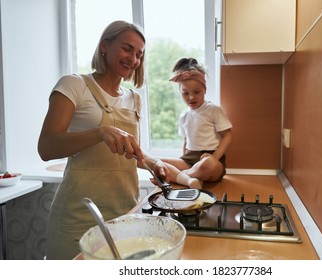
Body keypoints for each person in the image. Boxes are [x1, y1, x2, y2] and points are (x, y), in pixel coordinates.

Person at [37, 20, 168, 259]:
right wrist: (100, 133)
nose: (134, 59)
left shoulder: (134, 99)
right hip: (78, 218)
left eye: (139, 54)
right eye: (127, 48)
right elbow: (46, 147)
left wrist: (155, 163)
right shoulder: (74, 85)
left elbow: (129, 151)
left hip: (124, 214)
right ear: (104, 46)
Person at [161, 58, 233, 189]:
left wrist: (215, 157)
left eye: (196, 92)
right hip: (190, 160)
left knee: (207, 164)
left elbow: (228, 136)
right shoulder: (184, 115)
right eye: (185, 93)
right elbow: (185, 141)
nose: (191, 97)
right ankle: (192, 177)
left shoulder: (213, 110)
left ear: (204, 90)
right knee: (159, 162)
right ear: (180, 92)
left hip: (211, 161)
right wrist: (182, 159)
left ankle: (184, 176)